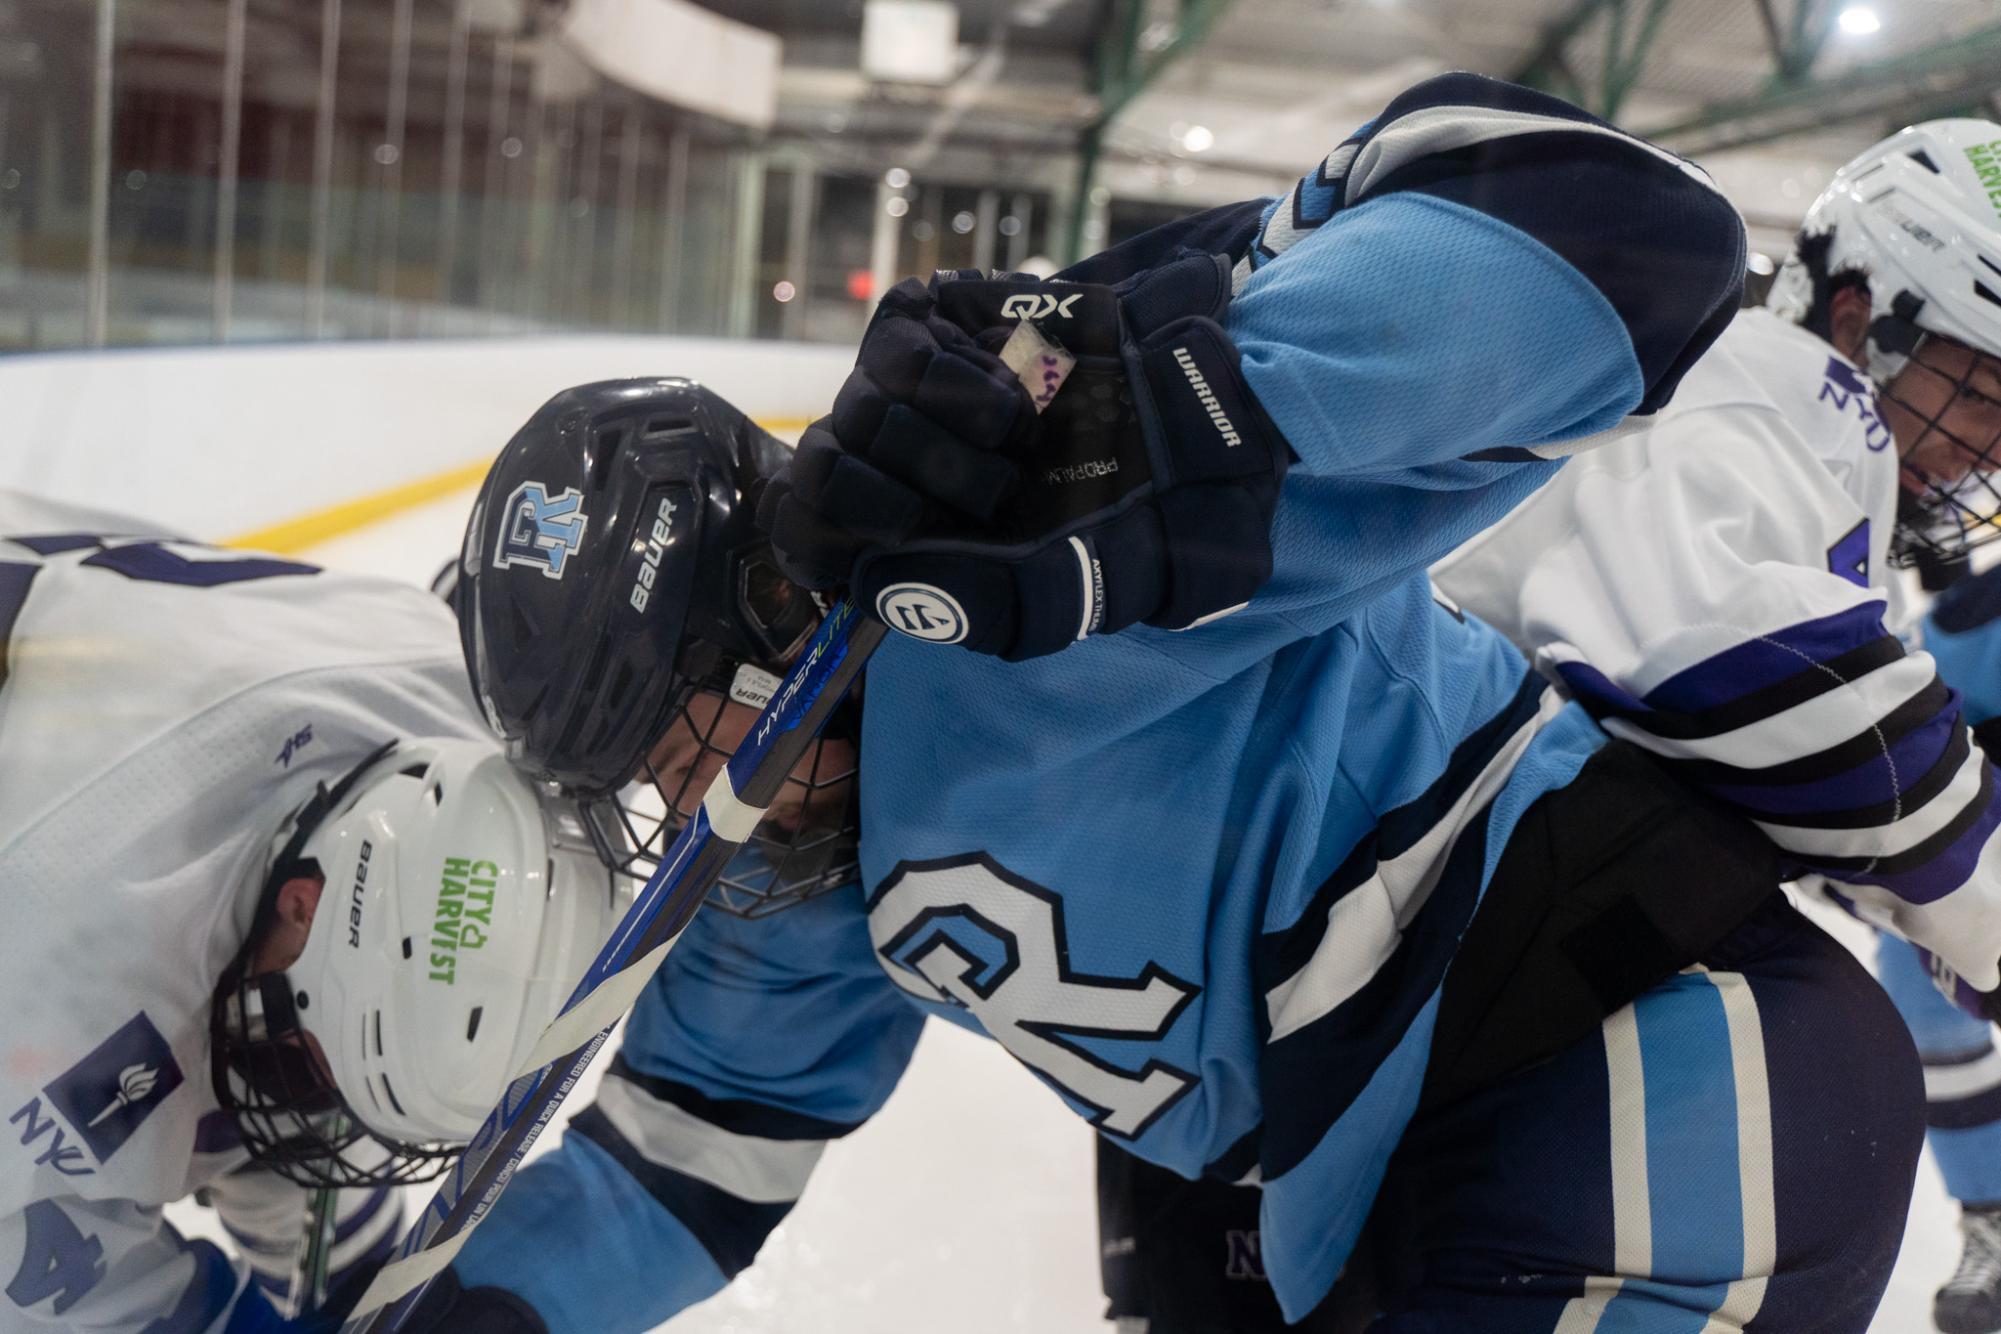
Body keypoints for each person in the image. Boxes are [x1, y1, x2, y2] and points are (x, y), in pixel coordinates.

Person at [419, 74, 1927, 1334]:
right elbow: (679, 1163)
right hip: (1348, 1187)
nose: (689, 817)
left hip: (1643, 1066)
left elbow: (1636, 241)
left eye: (676, 747)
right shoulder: (798, 883)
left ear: (769, 613)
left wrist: (1141, 376)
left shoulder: (1035, 569)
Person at [1411, 117, 2001, 1334]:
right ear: (1858, 315)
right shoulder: (1758, 390)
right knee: (1799, 1091)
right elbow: (1728, 660)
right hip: (1365, 922)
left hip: (1367, 925)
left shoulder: (1787, 428)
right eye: (1986, 386)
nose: (1995, 442)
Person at [0, 491, 627, 1333]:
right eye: (315, 1064)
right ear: (303, 900)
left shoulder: (463, 700)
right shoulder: (50, 978)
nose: (315, 1110)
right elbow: (45, 1280)